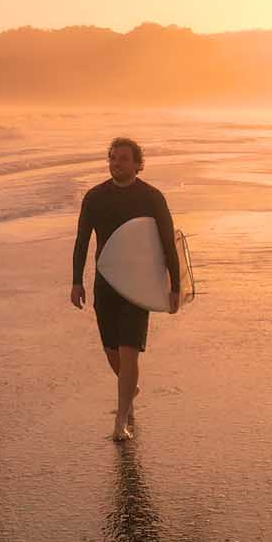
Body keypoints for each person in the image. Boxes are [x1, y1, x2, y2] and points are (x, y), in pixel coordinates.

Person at [72, 137, 180, 442]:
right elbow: (82, 241)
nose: (116, 163)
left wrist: (175, 286)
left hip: (139, 284)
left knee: (129, 351)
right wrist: (76, 281)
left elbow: (168, 242)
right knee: (112, 352)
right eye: (113, 158)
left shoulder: (151, 197)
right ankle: (129, 388)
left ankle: (121, 418)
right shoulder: (95, 197)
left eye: (123, 158)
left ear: (137, 164)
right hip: (106, 282)